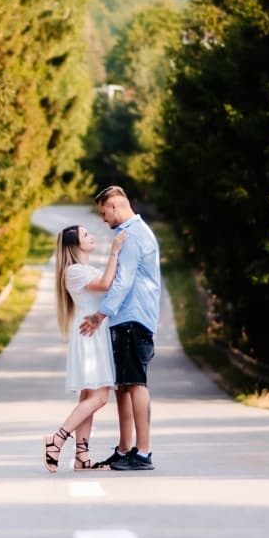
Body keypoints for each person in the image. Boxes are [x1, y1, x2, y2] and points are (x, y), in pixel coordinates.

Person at [79, 185, 161, 471]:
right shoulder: (127, 234)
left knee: (136, 383)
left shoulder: (132, 235)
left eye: (103, 212)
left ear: (115, 206)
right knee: (123, 385)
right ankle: (125, 448)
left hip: (133, 318)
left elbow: (123, 281)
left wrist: (100, 315)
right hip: (126, 319)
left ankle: (144, 451)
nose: (103, 219)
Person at [42, 223, 126, 473]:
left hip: (94, 333)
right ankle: (57, 439)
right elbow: (104, 284)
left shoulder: (84, 268)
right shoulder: (74, 271)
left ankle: (82, 457)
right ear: (75, 245)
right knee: (99, 397)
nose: (91, 237)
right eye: (85, 235)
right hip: (90, 336)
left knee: (88, 398)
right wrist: (115, 251)